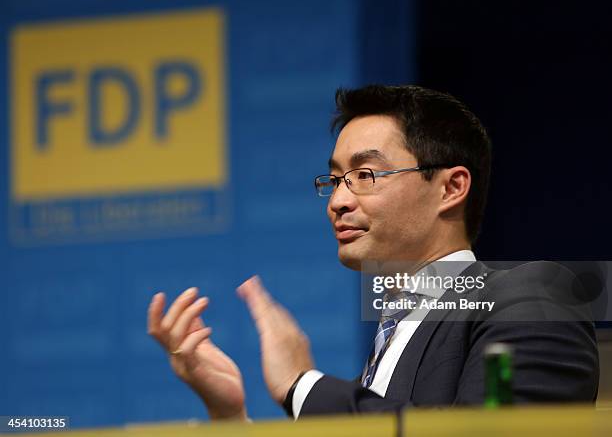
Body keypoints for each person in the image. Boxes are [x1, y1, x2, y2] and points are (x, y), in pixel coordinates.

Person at [147, 85, 599, 421]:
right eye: (335, 179)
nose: (337, 202)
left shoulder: (533, 297)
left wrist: (302, 384)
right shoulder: (387, 343)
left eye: (365, 174)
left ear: (451, 187)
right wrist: (231, 417)